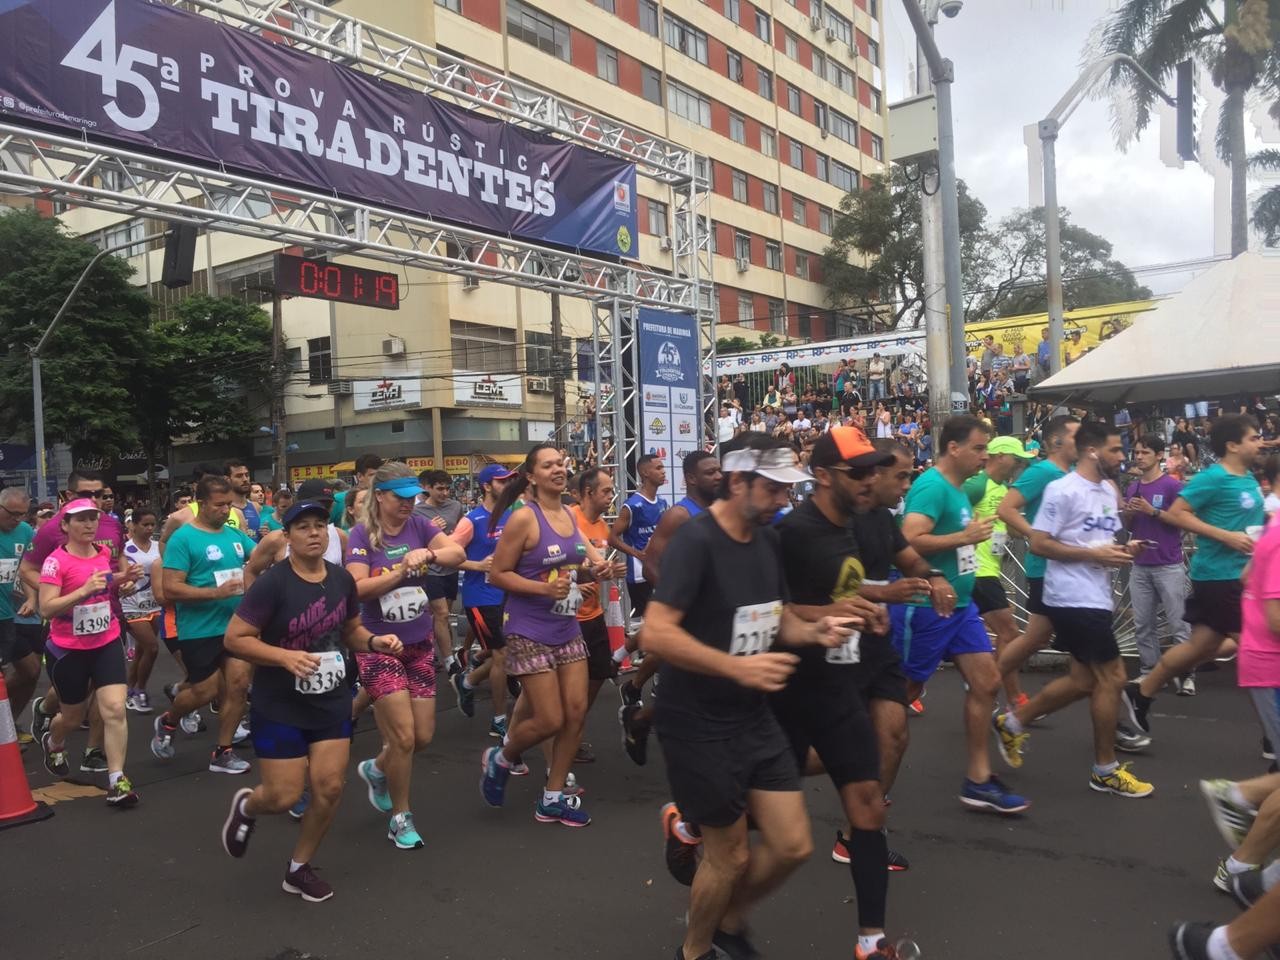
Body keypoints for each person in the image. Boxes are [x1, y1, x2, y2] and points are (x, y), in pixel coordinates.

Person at [640, 433, 854, 960]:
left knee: (792, 845)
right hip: (696, 721)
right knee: (730, 855)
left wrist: (816, 633)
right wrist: (738, 667)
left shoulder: (766, 541)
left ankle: (728, 921)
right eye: (777, 490)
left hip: (752, 718)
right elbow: (656, 634)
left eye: (788, 491)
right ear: (738, 482)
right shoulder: (697, 540)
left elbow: (776, 618)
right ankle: (695, 951)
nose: (786, 501)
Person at [773, 427, 914, 960]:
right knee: (757, 818)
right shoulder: (794, 532)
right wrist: (837, 611)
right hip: (790, 687)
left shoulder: (861, 522)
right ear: (822, 475)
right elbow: (773, 609)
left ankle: (871, 942)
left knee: (867, 805)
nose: (871, 480)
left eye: (875, 469)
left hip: (840, 683)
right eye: (859, 472)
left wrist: (866, 605)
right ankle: (693, 822)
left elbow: (848, 588)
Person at [218, 498, 404, 902]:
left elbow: (351, 630)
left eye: (319, 524)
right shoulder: (273, 584)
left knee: (330, 788)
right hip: (279, 703)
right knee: (283, 796)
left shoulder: (341, 580)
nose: (314, 533)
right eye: (303, 527)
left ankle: (298, 868)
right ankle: (249, 806)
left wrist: (374, 642)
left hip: (330, 699)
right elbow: (234, 639)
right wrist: (284, 657)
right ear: (287, 537)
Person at [992, 422, 1154, 799]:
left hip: (1097, 594)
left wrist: (1124, 551)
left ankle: (1013, 722)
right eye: (1115, 450)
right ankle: (1105, 769)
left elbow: (1102, 541)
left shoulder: (1107, 490)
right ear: (1093, 451)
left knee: (1084, 682)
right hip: (1071, 597)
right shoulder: (1060, 489)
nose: (1122, 457)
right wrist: (1092, 555)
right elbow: (1041, 545)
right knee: (1112, 678)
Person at [895, 415, 1029, 814]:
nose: (984, 456)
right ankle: (852, 762)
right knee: (901, 694)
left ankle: (978, 780)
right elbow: (908, 541)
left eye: (986, 448)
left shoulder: (957, 490)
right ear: (953, 448)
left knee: (987, 681)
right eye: (978, 448)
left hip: (962, 606)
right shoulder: (932, 487)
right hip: (929, 607)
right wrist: (963, 537)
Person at [480, 444, 613, 826]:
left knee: (575, 716)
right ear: (532, 476)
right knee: (550, 719)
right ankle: (502, 757)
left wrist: (593, 573)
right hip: (527, 628)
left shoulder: (569, 515)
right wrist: (543, 590)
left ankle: (551, 798)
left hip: (566, 626)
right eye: (548, 465)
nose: (558, 469)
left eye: (561, 463)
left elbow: (571, 568)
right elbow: (498, 574)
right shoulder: (525, 519)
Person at [345, 461, 465, 850]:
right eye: (400, 498)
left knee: (423, 736)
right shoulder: (362, 535)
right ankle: (401, 817)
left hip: (418, 644)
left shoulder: (420, 526)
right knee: (402, 737)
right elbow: (358, 589)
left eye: (412, 497)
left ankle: (375, 769)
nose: (408, 505)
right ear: (380, 496)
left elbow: (457, 553)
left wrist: (428, 556)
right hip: (379, 646)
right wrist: (400, 570)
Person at [1124, 415, 1266, 737]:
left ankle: (1142, 693)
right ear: (1232, 445)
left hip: (1239, 574)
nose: (1261, 442)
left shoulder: (1247, 478)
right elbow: (1177, 514)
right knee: (1258, 649)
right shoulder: (1213, 478)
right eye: (1254, 438)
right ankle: (1273, 735)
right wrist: (1225, 536)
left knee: (1199, 646)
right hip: (1219, 576)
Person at [618, 451, 722, 766]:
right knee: (693, 688)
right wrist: (681, 600)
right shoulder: (679, 514)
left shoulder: (722, 511)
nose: (719, 476)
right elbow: (650, 563)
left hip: (716, 615)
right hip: (689, 614)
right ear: (691, 478)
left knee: (702, 688)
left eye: (720, 471)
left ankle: (640, 716)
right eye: (711, 472)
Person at [152, 475, 258, 773]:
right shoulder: (183, 539)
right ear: (200, 504)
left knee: (237, 685)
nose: (226, 511)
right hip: (198, 629)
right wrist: (215, 592)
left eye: (229, 505)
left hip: (235, 626)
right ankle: (169, 721)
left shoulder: (234, 536)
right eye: (219, 505)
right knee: (206, 691)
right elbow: (171, 589)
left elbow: (260, 556)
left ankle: (222, 752)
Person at [37, 498, 139, 806]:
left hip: (106, 641)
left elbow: (103, 584)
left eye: (93, 518)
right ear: (65, 526)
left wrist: (123, 583)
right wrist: (83, 590)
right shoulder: (56, 562)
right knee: (71, 717)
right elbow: (47, 606)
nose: (89, 525)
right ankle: (54, 741)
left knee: (115, 709)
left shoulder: (103, 553)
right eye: (81, 520)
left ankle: (117, 779)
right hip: (68, 650)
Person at [996, 416, 1081, 681]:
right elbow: (1006, 508)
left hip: (1066, 567)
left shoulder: (1070, 473)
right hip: (1047, 568)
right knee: (1060, 639)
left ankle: (987, 682)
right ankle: (986, 681)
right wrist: (1035, 535)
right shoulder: (1042, 472)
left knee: (1038, 637)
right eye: (1076, 436)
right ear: (1056, 442)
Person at [963, 436, 1036, 711]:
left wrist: (1035, 533)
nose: (1018, 464)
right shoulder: (976, 484)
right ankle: (1015, 700)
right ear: (1000, 455)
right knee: (1009, 632)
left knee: (955, 640)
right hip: (976, 571)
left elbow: (1010, 528)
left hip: (990, 569)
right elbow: (952, 512)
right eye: (1016, 459)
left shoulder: (1003, 488)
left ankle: (979, 681)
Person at [566, 469, 629, 764]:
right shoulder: (566, 519)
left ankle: (574, 730)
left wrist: (608, 573)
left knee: (597, 676)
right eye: (606, 491)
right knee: (566, 692)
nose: (610, 497)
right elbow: (550, 564)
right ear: (588, 493)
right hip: (566, 619)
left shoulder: (603, 528)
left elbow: (597, 570)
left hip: (594, 616)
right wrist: (578, 581)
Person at [1122, 434, 1193, 686]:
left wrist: (1153, 511)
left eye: (1145, 452)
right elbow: (1129, 526)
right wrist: (1129, 515)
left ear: (1159, 455)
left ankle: (1186, 674)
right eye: (1136, 452)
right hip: (1140, 565)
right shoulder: (1133, 487)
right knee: (1143, 623)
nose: (1139, 457)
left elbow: (1184, 520)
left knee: (1178, 622)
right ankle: (1150, 670)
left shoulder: (1172, 486)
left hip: (1168, 564)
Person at [457, 464, 517, 739]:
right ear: (486, 485)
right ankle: (499, 719)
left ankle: (467, 682)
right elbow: (444, 552)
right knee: (501, 655)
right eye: (501, 481)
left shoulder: (512, 515)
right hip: (480, 598)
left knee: (507, 654)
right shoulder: (472, 520)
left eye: (508, 481)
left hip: (508, 595)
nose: (506, 485)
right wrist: (476, 565)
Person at [413, 469, 470, 712]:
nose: (444, 493)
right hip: (431, 570)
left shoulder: (455, 507)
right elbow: (415, 541)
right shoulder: (417, 512)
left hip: (451, 568)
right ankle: (448, 660)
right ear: (428, 488)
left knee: (446, 614)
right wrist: (430, 530)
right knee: (442, 614)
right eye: (440, 489)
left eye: (447, 489)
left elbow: (460, 534)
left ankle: (448, 651)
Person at [608, 454, 668, 620]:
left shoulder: (662, 503)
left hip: (658, 568)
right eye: (658, 468)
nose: (664, 472)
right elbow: (612, 538)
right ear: (645, 473)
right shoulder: (633, 505)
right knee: (650, 622)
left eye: (663, 467)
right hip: (640, 573)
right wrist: (637, 554)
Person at [0, 487, 39, 737]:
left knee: (31, 670)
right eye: (11, 514)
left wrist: (33, 596)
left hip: (7, 615)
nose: (16, 519)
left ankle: (9, 724)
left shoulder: (25, 532)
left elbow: (25, 570)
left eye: (21, 515)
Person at [122, 507, 162, 714]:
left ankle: (129, 690)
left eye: (152, 525)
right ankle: (140, 689)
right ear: (134, 525)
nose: (149, 528)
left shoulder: (158, 547)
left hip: (154, 604)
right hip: (131, 605)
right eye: (145, 524)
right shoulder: (124, 549)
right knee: (152, 648)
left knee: (142, 651)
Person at [331, 454, 383, 531]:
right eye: (372, 475)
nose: (377, 479)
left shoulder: (384, 499)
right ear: (359, 476)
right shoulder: (339, 500)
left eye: (379, 475)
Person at [226, 460, 261, 541]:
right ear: (227, 479)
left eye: (247, 475)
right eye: (239, 476)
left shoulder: (256, 506)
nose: (245, 479)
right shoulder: (225, 508)